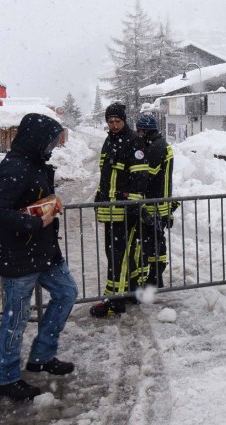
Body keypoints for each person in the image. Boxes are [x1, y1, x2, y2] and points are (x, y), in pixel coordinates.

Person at [0, 113, 78, 402]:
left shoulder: (36, 164)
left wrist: (49, 206)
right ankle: (8, 379)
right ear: (37, 139)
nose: (53, 146)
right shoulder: (14, 167)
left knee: (67, 293)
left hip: (45, 253)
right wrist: (35, 223)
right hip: (20, 257)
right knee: (16, 319)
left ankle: (42, 355)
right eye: (50, 140)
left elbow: (34, 202)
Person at [90, 103, 150, 317]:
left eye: (118, 121)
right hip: (109, 208)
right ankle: (133, 291)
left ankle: (114, 300)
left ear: (125, 121)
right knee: (114, 253)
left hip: (125, 210)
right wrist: (99, 196)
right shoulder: (109, 141)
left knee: (119, 255)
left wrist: (132, 205)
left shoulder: (134, 141)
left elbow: (141, 176)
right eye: (110, 121)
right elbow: (106, 175)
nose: (114, 125)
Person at [135, 115, 174, 289]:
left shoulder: (156, 148)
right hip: (159, 203)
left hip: (154, 205)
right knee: (156, 242)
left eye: (139, 131)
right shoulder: (159, 144)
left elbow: (145, 176)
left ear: (144, 131)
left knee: (147, 244)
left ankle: (149, 279)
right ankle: (155, 277)